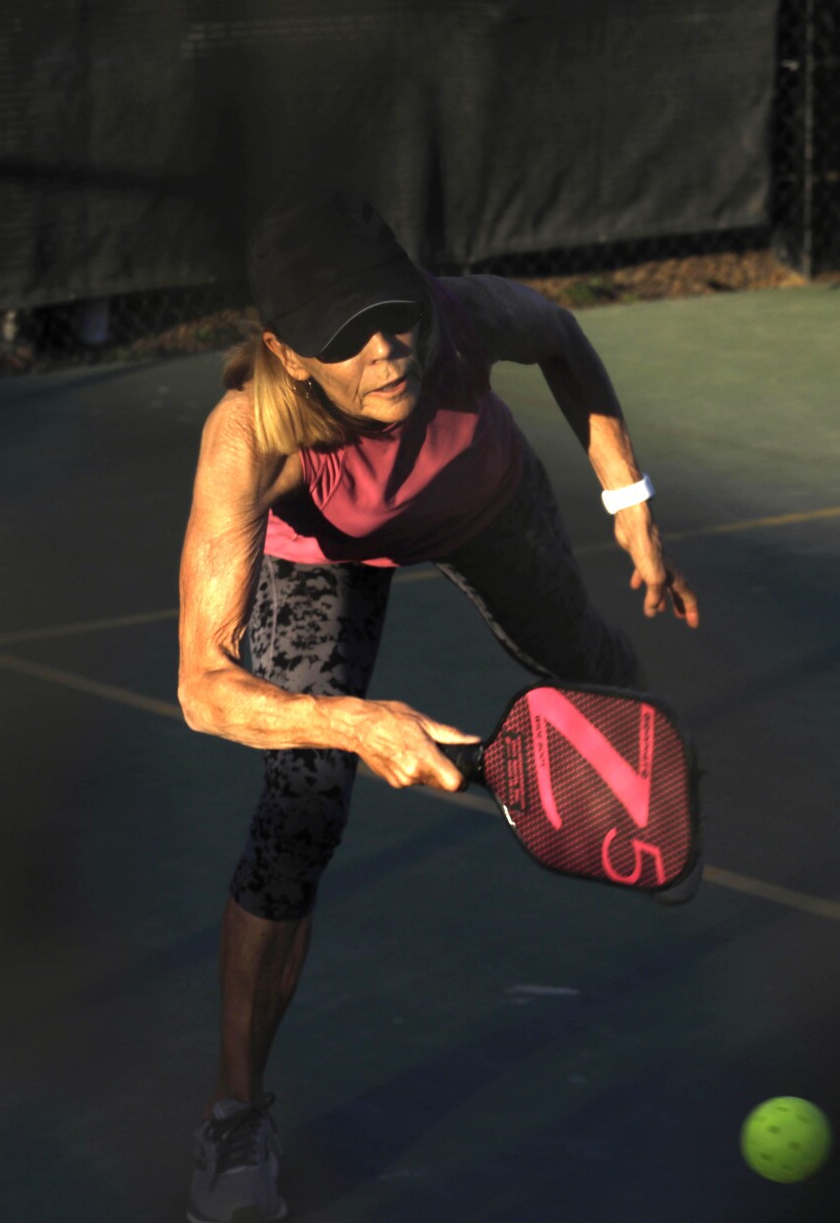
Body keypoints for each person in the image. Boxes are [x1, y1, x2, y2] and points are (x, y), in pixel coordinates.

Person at [174, 190, 701, 1221]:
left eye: (392, 314)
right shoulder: (249, 437)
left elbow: (563, 340)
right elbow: (203, 686)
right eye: (347, 337)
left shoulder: (461, 318)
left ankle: (656, 788)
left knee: (597, 672)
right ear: (286, 352)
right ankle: (235, 1116)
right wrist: (355, 722)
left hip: (483, 502)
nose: (385, 350)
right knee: (300, 810)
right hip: (320, 553)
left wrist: (628, 501)